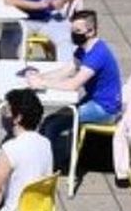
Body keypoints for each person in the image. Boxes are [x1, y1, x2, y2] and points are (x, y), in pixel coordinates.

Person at [26, 9, 123, 172]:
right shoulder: (84, 48)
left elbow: (73, 84)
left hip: (105, 109)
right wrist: (41, 76)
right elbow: (69, 69)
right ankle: (50, 158)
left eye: (78, 32)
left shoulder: (96, 55)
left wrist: (43, 84)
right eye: (72, 31)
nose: (74, 35)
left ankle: (50, 167)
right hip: (97, 100)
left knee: (52, 124)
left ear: (91, 31)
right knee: (51, 120)